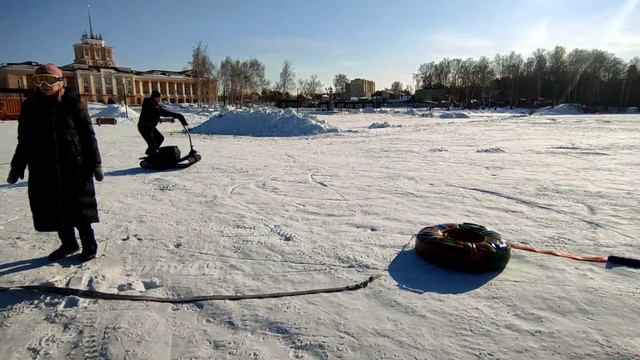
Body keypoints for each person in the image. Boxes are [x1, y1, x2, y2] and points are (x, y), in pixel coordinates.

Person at [7, 64, 103, 262]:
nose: (43, 85)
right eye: (38, 80)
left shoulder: (73, 104)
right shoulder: (30, 107)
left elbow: (88, 136)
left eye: (49, 80)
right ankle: (68, 243)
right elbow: (24, 140)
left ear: (60, 83)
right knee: (55, 208)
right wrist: (17, 166)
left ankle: (89, 244)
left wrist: (95, 163)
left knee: (79, 207)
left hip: (74, 165)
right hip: (43, 167)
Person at [138, 90, 187, 156]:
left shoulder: (154, 104)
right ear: (155, 97)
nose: (159, 99)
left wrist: (171, 118)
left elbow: (160, 113)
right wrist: (175, 115)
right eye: (159, 98)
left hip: (150, 126)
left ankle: (151, 154)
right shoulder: (149, 103)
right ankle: (152, 157)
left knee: (160, 138)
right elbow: (161, 112)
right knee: (152, 143)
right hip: (144, 127)